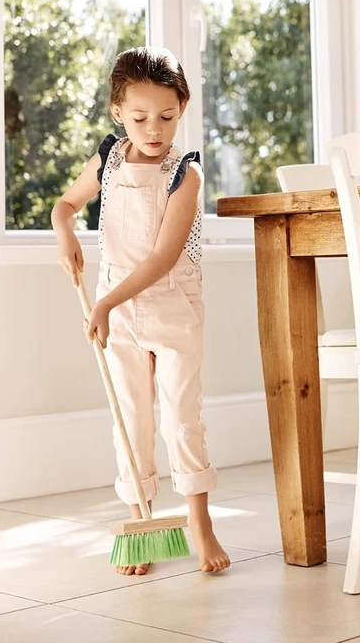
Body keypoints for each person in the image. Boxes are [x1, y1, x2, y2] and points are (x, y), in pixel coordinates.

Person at [52, 46, 229, 576]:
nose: (154, 129)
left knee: (181, 416)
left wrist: (105, 302)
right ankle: (142, 521)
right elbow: (65, 205)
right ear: (117, 113)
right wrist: (65, 232)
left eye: (167, 117)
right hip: (117, 311)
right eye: (140, 117)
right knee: (130, 417)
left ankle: (200, 521)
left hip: (169, 303)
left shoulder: (185, 175)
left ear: (183, 108)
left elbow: (163, 258)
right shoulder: (108, 160)